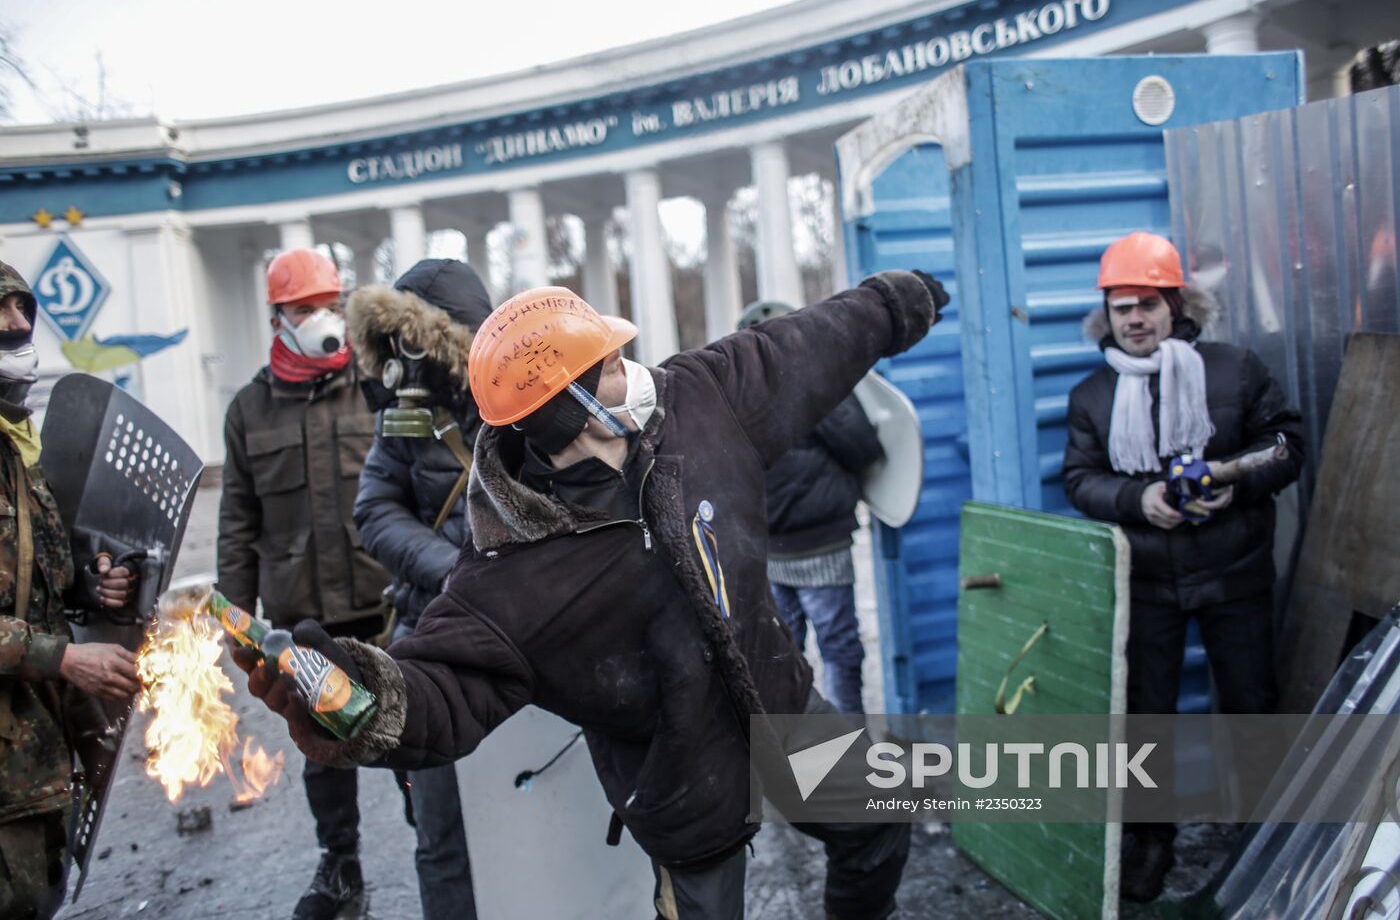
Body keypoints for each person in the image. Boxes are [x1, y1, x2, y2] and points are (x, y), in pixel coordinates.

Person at [238, 270, 948, 919]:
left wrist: (890, 305)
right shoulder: (507, 575)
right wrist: (355, 694)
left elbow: (797, 349)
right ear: (563, 409)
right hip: (681, 781)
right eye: (608, 365)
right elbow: (438, 690)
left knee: (880, 821)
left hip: (782, 703)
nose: (632, 369)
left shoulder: (697, 399)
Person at [1061, 232, 1304, 902]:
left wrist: (1240, 482)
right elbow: (1079, 479)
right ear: (1106, 316)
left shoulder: (1234, 368)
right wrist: (1137, 498)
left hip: (1236, 572)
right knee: (1146, 717)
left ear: (1175, 304)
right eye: (1121, 308)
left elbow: (1286, 443)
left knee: (1253, 705)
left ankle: (1262, 833)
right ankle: (1152, 840)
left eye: (1147, 304)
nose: (1134, 319)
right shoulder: (1092, 395)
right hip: (1146, 582)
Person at [216, 247, 391, 920]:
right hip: (302, 612)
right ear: (277, 316)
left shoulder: (374, 390)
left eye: (328, 304)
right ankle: (341, 865)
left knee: (413, 734)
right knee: (324, 751)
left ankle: (440, 849)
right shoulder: (249, 410)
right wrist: (235, 616)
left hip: (384, 604)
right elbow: (238, 520)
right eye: (304, 308)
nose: (320, 318)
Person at [345, 258, 490, 920]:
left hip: (525, 635)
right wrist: (451, 568)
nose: (404, 358)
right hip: (430, 638)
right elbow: (375, 508)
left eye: (415, 339)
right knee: (440, 835)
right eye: (395, 341)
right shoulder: (406, 415)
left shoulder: (527, 397)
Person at [0, 261, 138, 919]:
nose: (20, 324)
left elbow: (44, 572)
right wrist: (61, 656)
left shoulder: (17, 446)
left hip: (37, 757)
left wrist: (96, 580)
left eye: (22, 308)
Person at [739, 300, 883, 715]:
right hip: (821, 546)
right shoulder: (817, 385)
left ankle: (800, 754)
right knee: (839, 650)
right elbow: (864, 447)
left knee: (785, 657)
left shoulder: (738, 397)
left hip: (768, 547)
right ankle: (852, 757)